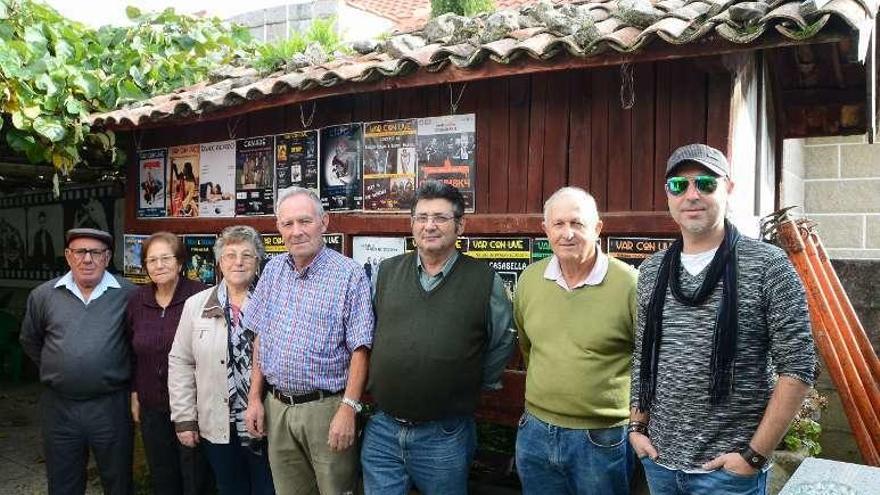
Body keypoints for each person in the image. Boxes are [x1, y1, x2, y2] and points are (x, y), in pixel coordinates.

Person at [629, 144, 817, 495]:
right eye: (678, 186)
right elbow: (644, 354)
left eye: (705, 183)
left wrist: (753, 456)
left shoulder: (768, 266)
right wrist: (636, 428)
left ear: (728, 188)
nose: (692, 195)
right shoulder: (653, 270)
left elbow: (799, 367)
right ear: (667, 194)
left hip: (727, 474)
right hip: (660, 464)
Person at [362, 180, 516, 495]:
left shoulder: (484, 281)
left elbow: (502, 341)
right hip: (382, 430)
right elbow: (368, 332)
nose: (429, 226)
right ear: (412, 224)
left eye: (440, 218)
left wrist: (471, 380)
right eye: (422, 217)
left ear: (460, 225)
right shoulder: (385, 272)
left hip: (445, 435)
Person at [244, 186, 373, 494]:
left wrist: (349, 408)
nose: (296, 231)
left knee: (336, 490)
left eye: (305, 221)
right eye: (287, 224)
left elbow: (361, 348)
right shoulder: (272, 270)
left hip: (326, 409)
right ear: (278, 228)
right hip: (276, 406)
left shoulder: (349, 275)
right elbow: (261, 336)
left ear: (324, 223)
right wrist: (254, 399)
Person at [513, 187, 638, 494]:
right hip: (536, 431)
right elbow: (528, 346)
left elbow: (648, 360)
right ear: (545, 230)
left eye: (577, 223)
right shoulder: (530, 280)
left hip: (601, 438)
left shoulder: (629, 284)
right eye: (558, 224)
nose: (567, 233)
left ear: (597, 229)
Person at [20, 228, 136, 494]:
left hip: (111, 407)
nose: (87, 259)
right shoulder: (43, 295)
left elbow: (136, 344)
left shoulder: (128, 294)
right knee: (63, 482)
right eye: (80, 252)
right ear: (68, 256)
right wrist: (60, 369)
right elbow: (30, 340)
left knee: (118, 481)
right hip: (59, 408)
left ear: (107, 257)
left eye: (95, 252)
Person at [169, 226, 275, 495]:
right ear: (219, 262)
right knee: (230, 488)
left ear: (258, 261)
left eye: (247, 255)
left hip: (268, 421)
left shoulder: (274, 302)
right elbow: (181, 362)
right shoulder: (196, 305)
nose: (238, 262)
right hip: (217, 422)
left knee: (269, 488)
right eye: (230, 255)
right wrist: (184, 419)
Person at [126, 232, 213, 495]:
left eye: (166, 258)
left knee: (196, 478)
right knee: (163, 477)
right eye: (152, 260)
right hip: (152, 406)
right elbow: (130, 352)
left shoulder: (201, 296)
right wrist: (134, 392)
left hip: (194, 406)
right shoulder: (136, 301)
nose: (159, 265)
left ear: (180, 262)